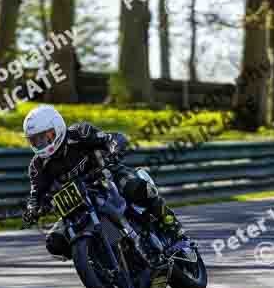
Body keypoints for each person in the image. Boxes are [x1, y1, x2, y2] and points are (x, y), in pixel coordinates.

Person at [20, 105, 188, 259]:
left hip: (106, 177)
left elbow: (112, 138)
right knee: (54, 243)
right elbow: (36, 194)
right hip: (77, 204)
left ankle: (171, 224)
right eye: (35, 140)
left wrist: (114, 149)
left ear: (57, 128)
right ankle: (97, 262)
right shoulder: (37, 166)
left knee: (136, 188)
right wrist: (32, 209)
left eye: (45, 137)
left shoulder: (80, 133)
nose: (41, 144)